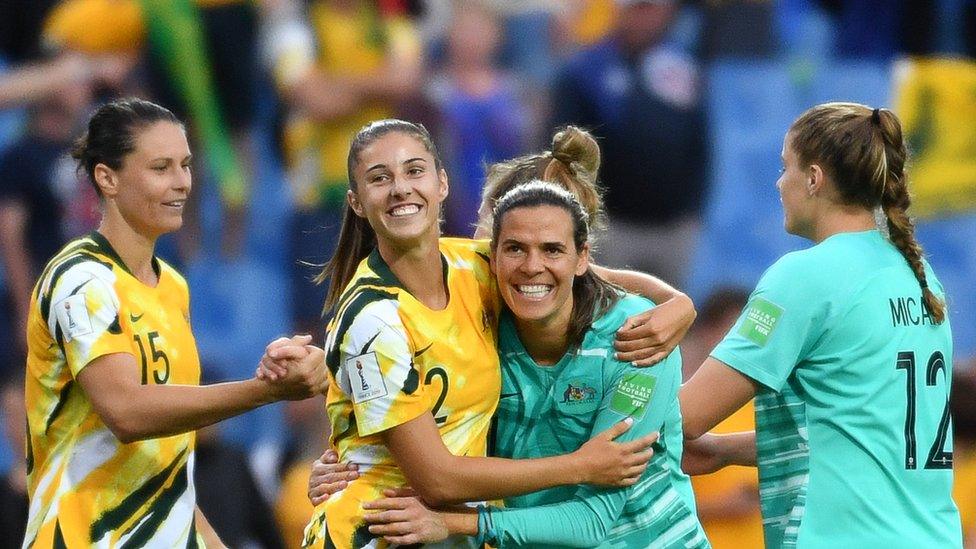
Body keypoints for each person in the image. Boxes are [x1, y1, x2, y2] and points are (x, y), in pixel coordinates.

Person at [258, 119, 694, 549]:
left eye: (414, 170)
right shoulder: (374, 318)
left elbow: (581, 275)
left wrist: (676, 303)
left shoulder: (476, 268)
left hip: (450, 530)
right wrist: (579, 466)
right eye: (379, 178)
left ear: (441, 183)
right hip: (383, 529)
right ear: (355, 201)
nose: (400, 188)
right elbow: (436, 477)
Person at [22, 98, 326, 548]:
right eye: (160, 168)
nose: (182, 182)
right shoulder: (80, 279)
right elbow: (126, 412)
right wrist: (265, 391)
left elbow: (166, 464)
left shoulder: (174, 287)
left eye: (185, 165)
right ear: (107, 178)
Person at [355, 181, 709, 547]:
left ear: (582, 257)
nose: (532, 266)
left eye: (552, 249)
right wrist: (348, 458)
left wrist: (453, 522)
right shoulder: (477, 326)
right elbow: (385, 359)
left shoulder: (639, 335)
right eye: (515, 249)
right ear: (492, 257)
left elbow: (590, 523)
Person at [679, 102, 963, 547]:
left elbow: (684, 418)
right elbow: (858, 435)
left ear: (814, 178)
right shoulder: (921, 277)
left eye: (785, 167)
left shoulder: (806, 276)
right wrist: (723, 451)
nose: (779, 183)